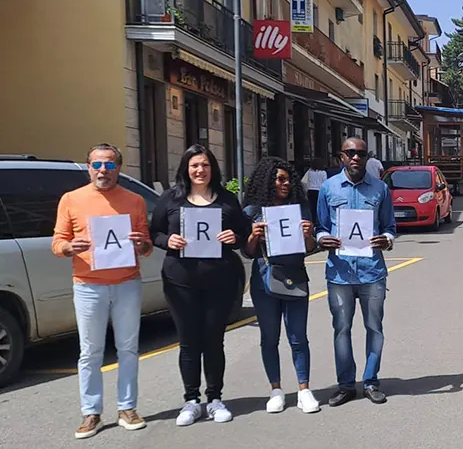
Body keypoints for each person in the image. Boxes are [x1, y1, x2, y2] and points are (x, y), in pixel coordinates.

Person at [52, 143, 153, 439]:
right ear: (88, 167)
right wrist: (69, 247)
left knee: (128, 348)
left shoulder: (134, 200)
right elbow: (57, 242)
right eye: (97, 164)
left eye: (109, 165)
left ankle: (127, 408)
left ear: (118, 168)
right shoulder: (71, 199)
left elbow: (146, 245)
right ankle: (91, 412)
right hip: (88, 285)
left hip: (127, 283)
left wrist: (142, 245)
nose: (103, 170)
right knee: (90, 352)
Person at [150, 144, 250, 426]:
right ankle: (191, 400)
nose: (200, 170)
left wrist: (234, 237)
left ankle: (215, 398)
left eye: (205, 165)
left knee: (214, 340)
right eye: (194, 165)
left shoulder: (226, 199)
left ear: (212, 168)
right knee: (188, 342)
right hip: (180, 281)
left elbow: (243, 233)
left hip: (219, 281)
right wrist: (167, 241)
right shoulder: (171, 198)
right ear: (186, 168)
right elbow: (153, 232)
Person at [315, 138, 398, 407]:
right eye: (350, 153)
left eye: (360, 154)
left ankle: (371, 381)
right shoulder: (328, 188)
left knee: (374, 327)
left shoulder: (380, 189)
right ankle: (346, 385)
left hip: (372, 271)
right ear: (341, 156)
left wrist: (387, 239)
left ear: (366, 157)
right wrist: (322, 238)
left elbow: (389, 226)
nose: (355, 158)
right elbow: (320, 226)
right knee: (341, 328)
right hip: (339, 272)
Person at [242, 157, 321, 414]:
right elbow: (247, 252)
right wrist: (253, 236)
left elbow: (310, 248)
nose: (285, 184)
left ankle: (304, 390)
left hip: (295, 275)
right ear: (267, 181)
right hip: (264, 279)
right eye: (280, 179)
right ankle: (276, 390)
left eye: (288, 180)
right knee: (269, 337)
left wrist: (308, 235)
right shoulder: (252, 211)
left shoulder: (299, 209)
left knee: (298, 337)